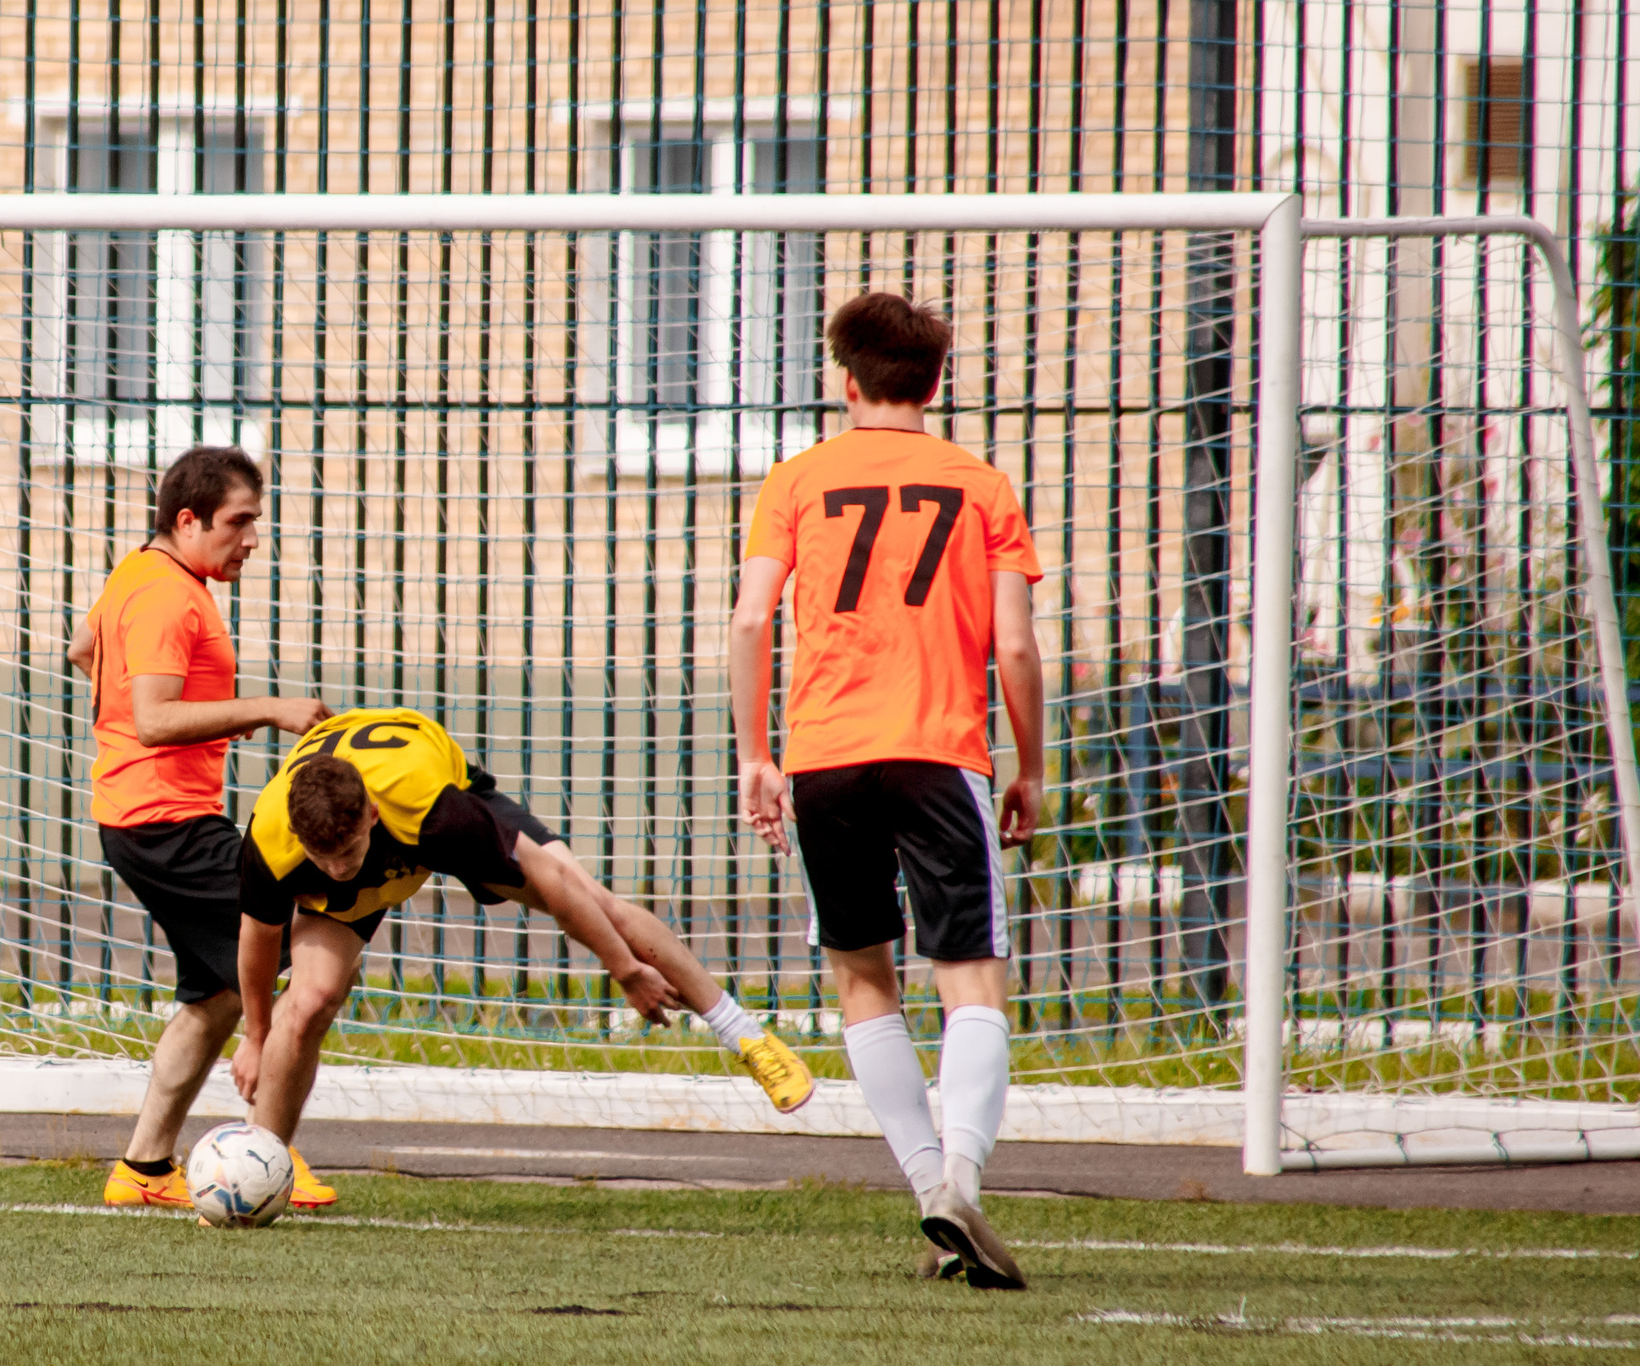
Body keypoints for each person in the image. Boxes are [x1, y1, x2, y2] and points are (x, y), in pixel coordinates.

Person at [726, 292, 1046, 1291]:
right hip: (937, 752)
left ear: (845, 380)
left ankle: (928, 1195)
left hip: (824, 756)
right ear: (935, 383)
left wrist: (755, 755)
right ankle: (961, 1181)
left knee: (864, 980)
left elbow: (750, 620)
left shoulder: (797, 479)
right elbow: (1016, 644)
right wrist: (1032, 766)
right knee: (972, 979)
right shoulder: (980, 484)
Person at [228, 708, 816, 1142]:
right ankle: (265, 1162)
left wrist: (623, 968)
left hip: (422, 808)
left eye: (349, 852)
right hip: (366, 830)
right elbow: (257, 941)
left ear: (372, 817)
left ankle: (747, 1036)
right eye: (324, 859)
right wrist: (254, 1038)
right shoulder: (272, 840)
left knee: (597, 902)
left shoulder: (440, 815)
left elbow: (555, 884)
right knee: (308, 1001)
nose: (338, 869)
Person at [69, 445, 337, 1210]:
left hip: (142, 816)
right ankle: (267, 1150)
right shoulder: (168, 596)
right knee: (300, 938)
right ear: (188, 520)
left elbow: (83, 649)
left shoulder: (141, 571)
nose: (252, 538)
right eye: (238, 521)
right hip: (166, 821)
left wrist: (180, 716)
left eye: (256, 521)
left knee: (216, 992)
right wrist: (269, 709)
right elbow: (153, 719)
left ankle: (143, 1167)